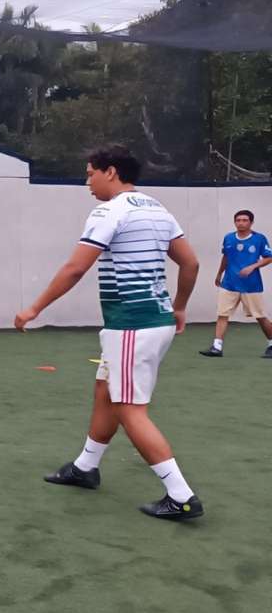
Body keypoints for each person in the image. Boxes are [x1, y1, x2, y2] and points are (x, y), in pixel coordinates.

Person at [15, 145, 203, 521]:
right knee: (106, 390)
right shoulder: (157, 209)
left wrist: (34, 308)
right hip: (152, 322)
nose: (87, 182)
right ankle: (86, 467)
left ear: (111, 172)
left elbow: (75, 268)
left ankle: (181, 496)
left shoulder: (109, 211)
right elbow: (191, 263)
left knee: (129, 408)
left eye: (90, 174)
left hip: (133, 325)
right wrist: (179, 306)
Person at [199, 209, 272, 358]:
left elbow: (269, 257)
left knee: (260, 316)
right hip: (229, 283)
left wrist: (252, 267)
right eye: (238, 220)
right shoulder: (229, 238)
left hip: (251, 286)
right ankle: (217, 347)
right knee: (222, 314)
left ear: (251, 222)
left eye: (245, 220)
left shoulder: (259, 239)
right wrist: (219, 273)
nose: (241, 223)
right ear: (234, 222)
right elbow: (226, 257)